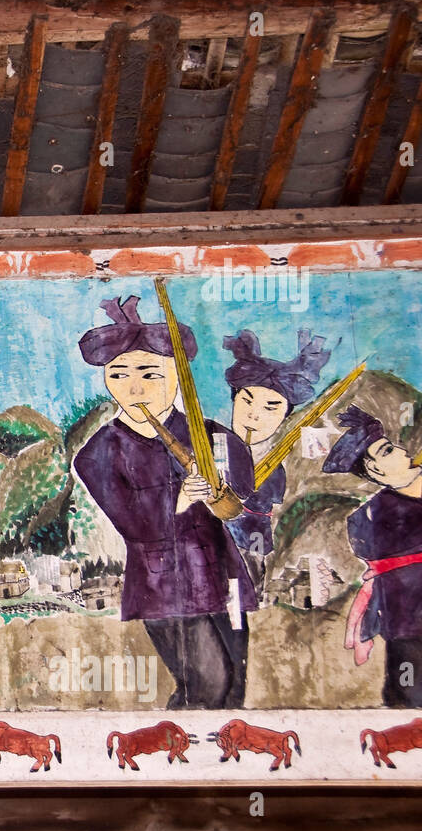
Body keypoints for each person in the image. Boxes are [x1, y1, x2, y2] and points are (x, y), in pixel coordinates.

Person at [73, 294, 256, 709]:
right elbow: (135, 527)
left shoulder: (205, 432)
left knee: (235, 689)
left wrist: (228, 469)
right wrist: (180, 498)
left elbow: (247, 495)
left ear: (177, 376)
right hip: (163, 583)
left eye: (149, 374)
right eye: (118, 375)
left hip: (219, 573)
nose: (133, 388)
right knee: (206, 685)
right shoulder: (98, 453)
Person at [322, 405, 422, 707]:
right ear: (374, 471)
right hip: (410, 623)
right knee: (414, 702)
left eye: (392, 445)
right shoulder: (365, 519)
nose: (400, 451)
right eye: (386, 451)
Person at [221, 329, 331, 589]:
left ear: (284, 416)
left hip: (253, 546)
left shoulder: (281, 463)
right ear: (234, 400)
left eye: (270, 408)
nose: (254, 416)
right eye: (246, 401)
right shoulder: (215, 445)